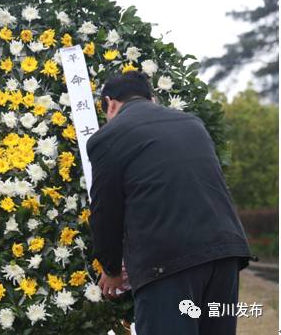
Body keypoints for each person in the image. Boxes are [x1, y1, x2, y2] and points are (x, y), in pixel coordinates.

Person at [86, 71, 252, 335]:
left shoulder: (109, 136)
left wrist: (111, 267)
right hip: (225, 253)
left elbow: (105, 212)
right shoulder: (193, 124)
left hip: (167, 263)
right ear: (152, 98)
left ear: (111, 103)